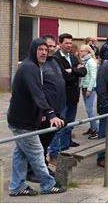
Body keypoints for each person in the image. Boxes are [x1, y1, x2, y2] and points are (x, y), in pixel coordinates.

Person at [7, 38, 65, 196]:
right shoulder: (29, 67)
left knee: (21, 153)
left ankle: (16, 186)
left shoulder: (34, 67)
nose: (44, 53)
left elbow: (36, 94)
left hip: (24, 119)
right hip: (22, 121)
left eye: (46, 50)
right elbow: (37, 93)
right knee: (37, 152)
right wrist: (50, 113)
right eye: (40, 49)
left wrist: (41, 114)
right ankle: (48, 184)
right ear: (33, 50)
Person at [27, 35, 66, 181]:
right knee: (39, 143)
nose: (48, 50)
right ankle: (33, 170)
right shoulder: (38, 65)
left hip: (57, 109)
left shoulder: (54, 61)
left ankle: (42, 166)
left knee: (46, 142)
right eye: (44, 48)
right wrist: (44, 111)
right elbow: (37, 90)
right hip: (44, 111)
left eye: (50, 47)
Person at [53, 33, 87, 154]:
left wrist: (72, 70)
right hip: (63, 97)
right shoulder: (56, 58)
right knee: (62, 122)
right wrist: (76, 70)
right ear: (60, 43)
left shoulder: (73, 57)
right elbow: (63, 76)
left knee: (70, 122)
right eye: (66, 43)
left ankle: (67, 143)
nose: (69, 45)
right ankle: (58, 149)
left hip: (74, 95)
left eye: (70, 43)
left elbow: (84, 71)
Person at [79, 44, 99, 139]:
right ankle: (92, 127)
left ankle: (95, 130)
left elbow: (93, 77)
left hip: (89, 88)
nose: (81, 52)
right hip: (84, 87)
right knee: (88, 110)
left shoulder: (91, 62)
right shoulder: (85, 61)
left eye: (83, 51)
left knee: (90, 110)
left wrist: (89, 89)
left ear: (88, 52)